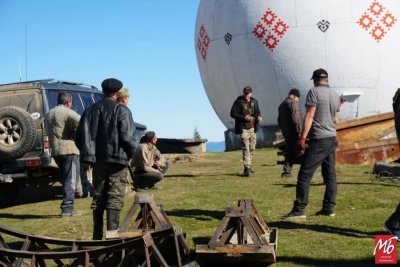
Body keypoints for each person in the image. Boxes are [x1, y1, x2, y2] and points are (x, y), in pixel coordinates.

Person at [75, 78, 136, 240]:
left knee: (98, 198)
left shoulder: (90, 109)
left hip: (97, 161)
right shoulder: (122, 110)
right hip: (117, 161)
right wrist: (130, 154)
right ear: (117, 92)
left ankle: (97, 237)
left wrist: (89, 154)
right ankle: (112, 238)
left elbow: (79, 136)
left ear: (103, 91)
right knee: (114, 199)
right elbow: (128, 138)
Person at [281, 68, 340, 220]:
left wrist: (302, 138)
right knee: (330, 175)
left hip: (319, 139)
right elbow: (336, 119)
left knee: (304, 174)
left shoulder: (314, 92)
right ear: (327, 79)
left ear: (314, 79)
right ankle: (329, 207)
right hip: (332, 138)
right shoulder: (335, 95)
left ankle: (300, 209)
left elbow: (309, 115)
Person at [44, 91, 81, 217]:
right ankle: (67, 208)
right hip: (69, 149)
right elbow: (80, 124)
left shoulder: (49, 114)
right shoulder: (68, 112)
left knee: (66, 179)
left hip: (55, 151)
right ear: (68, 102)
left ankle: (67, 206)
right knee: (71, 180)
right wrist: (75, 136)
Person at [230, 86, 262, 177]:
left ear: (251, 93)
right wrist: (244, 117)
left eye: (248, 93)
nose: (246, 95)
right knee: (246, 149)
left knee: (252, 148)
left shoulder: (254, 102)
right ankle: (247, 168)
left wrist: (259, 117)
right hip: (243, 129)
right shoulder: (238, 102)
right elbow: (232, 113)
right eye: (245, 93)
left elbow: (257, 112)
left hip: (252, 128)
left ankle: (248, 166)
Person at [278, 88, 303, 178]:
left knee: (290, 152)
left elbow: (279, 121)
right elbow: (296, 119)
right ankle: (304, 173)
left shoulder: (282, 105)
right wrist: (300, 131)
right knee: (302, 151)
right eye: (297, 98)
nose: (298, 100)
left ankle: (286, 172)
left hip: (286, 133)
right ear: (294, 96)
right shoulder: (293, 103)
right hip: (295, 132)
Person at [116, 88, 135, 196]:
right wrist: (131, 152)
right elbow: (127, 135)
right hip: (120, 151)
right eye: (128, 97)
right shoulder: (124, 111)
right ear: (124, 98)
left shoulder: (109, 109)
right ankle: (126, 190)